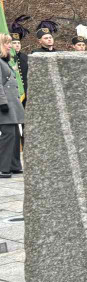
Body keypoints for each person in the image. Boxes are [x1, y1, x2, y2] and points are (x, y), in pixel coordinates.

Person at [0, 35, 25, 179]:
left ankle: (14, 165)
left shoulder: (5, 61)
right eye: (7, 43)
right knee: (8, 135)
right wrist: (2, 103)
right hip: (5, 105)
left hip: (12, 105)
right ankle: (3, 167)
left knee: (15, 135)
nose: (10, 46)